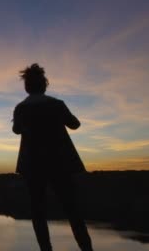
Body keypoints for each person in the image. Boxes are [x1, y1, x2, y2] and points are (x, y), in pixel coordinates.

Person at [12, 63, 93, 251]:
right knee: (72, 210)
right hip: (60, 163)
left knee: (38, 211)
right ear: (44, 85)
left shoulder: (21, 108)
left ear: (27, 87)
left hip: (32, 165)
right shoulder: (56, 105)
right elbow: (75, 124)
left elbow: (16, 130)